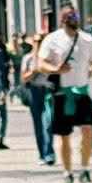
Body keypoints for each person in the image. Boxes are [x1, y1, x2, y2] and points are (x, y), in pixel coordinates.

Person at [38, 3, 92, 183]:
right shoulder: (52, 39)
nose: (74, 19)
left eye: (75, 16)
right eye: (70, 16)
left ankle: (85, 170)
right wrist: (56, 69)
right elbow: (40, 65)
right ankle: (67, 173)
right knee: (64, 136)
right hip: (61, 94)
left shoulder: (87, 40)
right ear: (62, 19)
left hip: (82, 93)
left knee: (88, 131)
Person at [20, 34, 56, 167]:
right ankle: (42, 154)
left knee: (48, 122)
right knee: (38, 125)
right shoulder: (28, 58)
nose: (38, 43)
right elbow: (24, 78)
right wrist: (34, 71)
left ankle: (49, 153)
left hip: (47, 91)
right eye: (36, 41)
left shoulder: (50, 58)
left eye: (41, 41)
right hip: (34, 91)